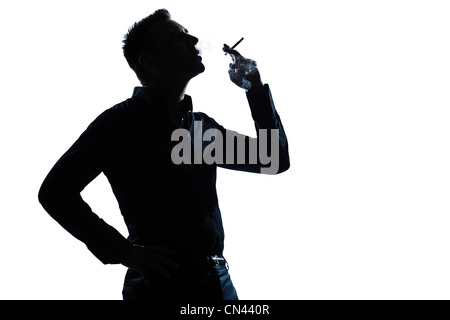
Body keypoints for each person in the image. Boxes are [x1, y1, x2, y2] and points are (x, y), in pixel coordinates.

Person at [38, 8, 290, 300]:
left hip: (218, 283)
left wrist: (254, 89)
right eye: (177, 38)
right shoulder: (119, 124)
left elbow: (273, 159)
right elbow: (55, 192)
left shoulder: (200, 131)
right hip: (161, 287)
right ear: (149, 61)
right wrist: (121, 251)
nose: (194, 40)